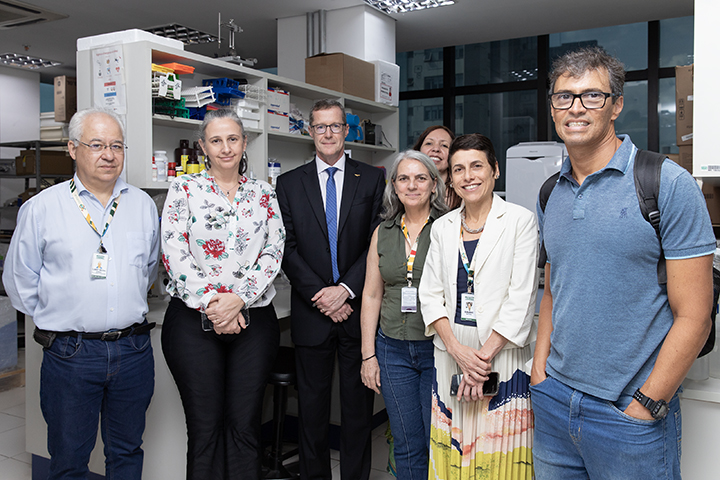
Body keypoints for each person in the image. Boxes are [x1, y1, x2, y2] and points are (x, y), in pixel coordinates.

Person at [531, 46, 715, 479]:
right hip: (555, 403)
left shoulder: (665, 184)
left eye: (592, 96)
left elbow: (695, 315)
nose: (576, 108)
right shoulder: (548, 193)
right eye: (564, 96)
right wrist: (540, 373)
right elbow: (555, 286)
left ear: (616, 105)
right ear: (553, 107)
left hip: (628, 415)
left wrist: (647, 403)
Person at [2, 107, 160, 479]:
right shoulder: (42, 208)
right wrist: (61, 318)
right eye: (97, 145)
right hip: (71, 354)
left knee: (126, 451)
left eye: (117, 145)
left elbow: (150, 268)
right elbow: (20, 280)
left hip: (133, 351)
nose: (109, 154)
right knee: (70, 459)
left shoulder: (143, 206)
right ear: (73, 149)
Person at [160, 108, 285, 480]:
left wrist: (239, 300)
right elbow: (173, 250)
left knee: (245, 425)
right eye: (216, 140)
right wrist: (216, 305)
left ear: (244, 143)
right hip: (192, 323)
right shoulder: (184, 189)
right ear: (203, 147)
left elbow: (274, 250)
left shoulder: (263, 193)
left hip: (254, 321)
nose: (225, 147)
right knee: (204, 426)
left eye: (233, 139)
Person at [276, 99, 385, 480]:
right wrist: (322, 296)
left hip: (357, 313)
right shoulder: (289, 183)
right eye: (320, 126)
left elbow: (377, 241)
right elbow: (285, 246)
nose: (327, 133)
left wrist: (345, 290)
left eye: (335, 126)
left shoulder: (371, 179)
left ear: (346, 131)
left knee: (357, 413)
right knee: (312, 412)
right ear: (310, 131)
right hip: (312, 314)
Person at [419, 133, 538, 479]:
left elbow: (521, 298)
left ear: (495, 170)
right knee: (452, 449)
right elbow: (430, 295)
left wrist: (480, 361)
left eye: (476, 166)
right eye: (458, 169)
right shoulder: (442, 228)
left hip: (500, 355)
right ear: (451, 178)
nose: (468, 176)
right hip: (451, 355)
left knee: (498, 453)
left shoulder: (520, 221)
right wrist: (459, 352)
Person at [359, 150, 448, 480]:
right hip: (392, 350)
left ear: (434, 185)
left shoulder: (448, 228)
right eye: (404, 178)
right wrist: (368, 355)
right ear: (393, 186)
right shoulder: (383, 232)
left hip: (437, 349)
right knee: (407, 442)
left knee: (436, 440)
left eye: (420, 178)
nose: (412, 185)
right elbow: (371, 293)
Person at [413, 125, 459, 209]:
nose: (436, 149)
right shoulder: (406, 188)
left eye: (444, 145)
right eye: (429, 143)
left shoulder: (462, 192)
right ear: (418, 151)